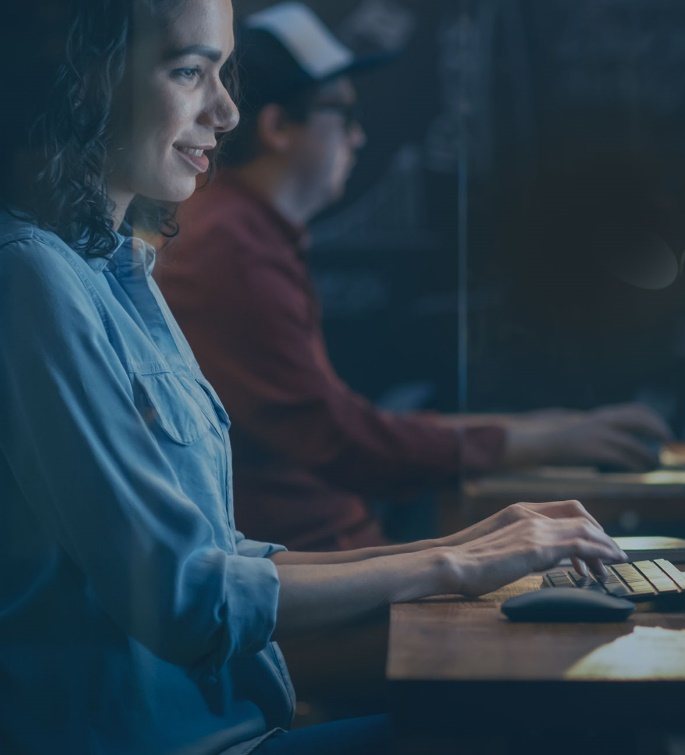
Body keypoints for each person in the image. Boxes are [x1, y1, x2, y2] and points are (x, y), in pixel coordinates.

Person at [0, 1, 626, 752]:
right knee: (582, 720)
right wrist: (454, 561)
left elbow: (219, 549)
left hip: (237, 721)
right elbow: (186, 595)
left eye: (223, 73)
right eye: (190, 71)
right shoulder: (31, 275)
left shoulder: (121, 267)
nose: (228, 110)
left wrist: (468, 543)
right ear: (86, 79)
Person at [153, 2, 672, 551]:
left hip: (314, 555)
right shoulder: (232, 247)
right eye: (344, 115)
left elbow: (340, 424)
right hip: (307, 567)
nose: (359, 138)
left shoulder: (244, 230)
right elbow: (342, 441)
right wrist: (547, 438)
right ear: (279, 126)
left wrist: (548, 430)